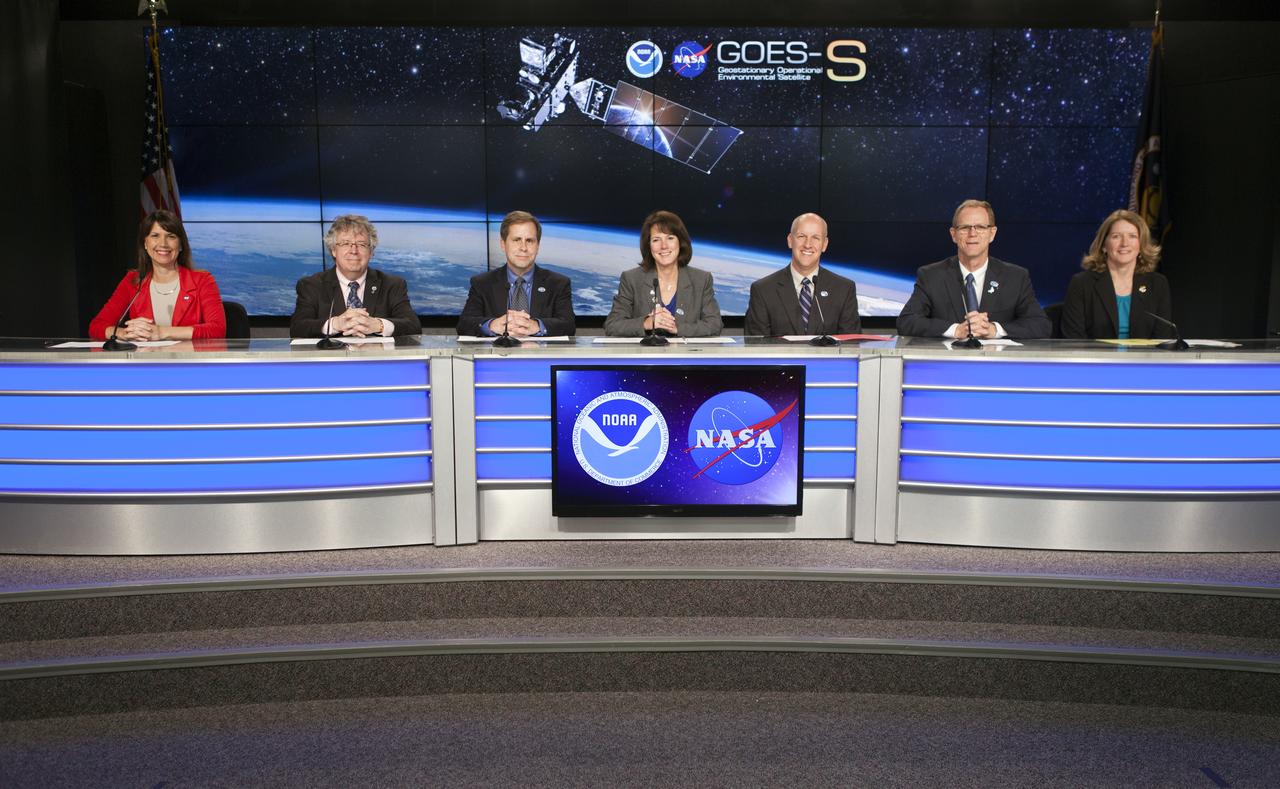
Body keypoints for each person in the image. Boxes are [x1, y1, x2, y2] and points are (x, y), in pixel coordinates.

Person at [896, 199, 1051, 340]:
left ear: (992, 233)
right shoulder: (931, 275)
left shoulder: (1015, 277)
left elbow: (1041, 325)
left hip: (997, 366)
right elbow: (907, 321)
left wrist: (994, 330)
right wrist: (956, 330)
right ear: (954, 235)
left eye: (980, 227)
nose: (972, 234)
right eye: (964, 227)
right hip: (948, 365)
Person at [89, 210, 226, 341]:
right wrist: (124, 333)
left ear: (180, 245)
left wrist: (161, 332)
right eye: (155, 236)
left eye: (171, 236)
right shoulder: (133, 280)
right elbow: (96, 327)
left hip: (189, 362)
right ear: (145, 244)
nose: (163, 244)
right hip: (146, 363)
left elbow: (217, 329)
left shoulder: (202, 280)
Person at [290, 215, 421, 338]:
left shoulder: (392, 285)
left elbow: (413, 326)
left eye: (362, 244)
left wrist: (379, 325)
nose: (354, 251)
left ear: (371, 252)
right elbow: (297, 328)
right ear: (333, 250)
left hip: (377, 360)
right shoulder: (312, 285)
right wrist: (335, 324)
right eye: (346, 243)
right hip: (331, 361)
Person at [603, 210, 723, 337]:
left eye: (670, 238)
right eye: (656, 240)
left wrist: (677, 328)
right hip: (645, 355)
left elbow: (715, 325)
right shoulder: (632, 279)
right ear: (648, 245)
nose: (664, 246)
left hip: (686, 355)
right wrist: (647, 323)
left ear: (680, 242)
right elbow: (612, 325)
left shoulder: (701, 279)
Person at [457, 211, 576, 337]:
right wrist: (492, 325)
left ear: (538, 246)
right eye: (516, 240)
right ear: (503, 244)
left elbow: (569, 326)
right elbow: (464, 325)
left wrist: (537, 326)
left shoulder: (558, 284)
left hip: (540, 356)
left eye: (529, 241)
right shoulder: (482, 283)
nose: (523, 248)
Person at [1061, 209, 1173, 340]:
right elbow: (1073, 339)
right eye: (1116, 236)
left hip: (1143, 360)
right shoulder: (1082, 283)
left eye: (1132, 236)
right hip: (1096, 359)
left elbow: (1162, 339)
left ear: (1141, 245)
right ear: (1104, 245)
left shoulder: (1157, 284)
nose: (1125, 243)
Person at [743, 213, 860, 336]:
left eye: (815, 238)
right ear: (790, 240)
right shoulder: (763, 290)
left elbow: (851, 347)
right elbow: (756, 347)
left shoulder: (844, 289)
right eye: (801, 236)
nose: (808, 244)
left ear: (824, 244)